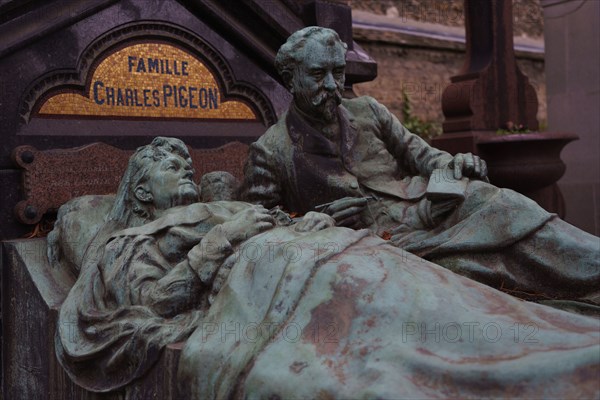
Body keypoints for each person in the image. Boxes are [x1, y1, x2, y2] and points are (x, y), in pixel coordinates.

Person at [240, 26, 599, 306]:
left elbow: (422, 154)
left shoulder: (368, 111)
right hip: (378, 242)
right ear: (290, 79)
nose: (333, 85)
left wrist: (454, 161)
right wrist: (311, 220)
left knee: (502, 203)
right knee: (479, 264)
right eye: (319, 75)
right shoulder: (271, 150)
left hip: (428, 206)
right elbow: (257, 225)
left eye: (338, 72)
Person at [55, 137, 333, 391]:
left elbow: (282, 222)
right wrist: (222, 238)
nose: (188, 171)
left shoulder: (228, 210)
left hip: (309, 259)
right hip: (273, 286)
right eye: (172, 168)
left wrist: (314, 222)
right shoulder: (129, 242)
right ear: (143, 193)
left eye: (188, 167)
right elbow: (153, 302)